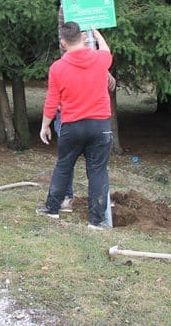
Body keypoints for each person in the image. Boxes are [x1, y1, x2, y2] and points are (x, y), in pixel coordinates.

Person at [37, 22, 114, 229]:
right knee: (97, 171)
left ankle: (52, 209)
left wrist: (45, 126)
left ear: (63, 43)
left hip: (72, 126)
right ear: (83, 38)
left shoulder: (57, 67)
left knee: (63, 166)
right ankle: (96, 221)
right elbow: (107, 51)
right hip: (100, 126)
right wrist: (97, 35)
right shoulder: (100, 59)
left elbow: (52, 100)